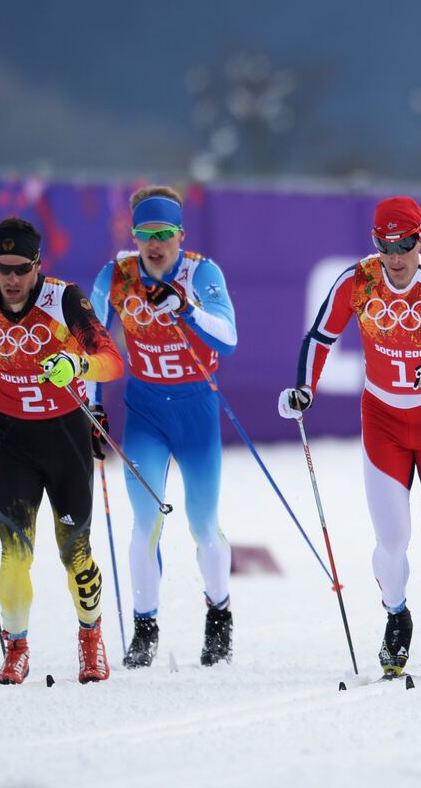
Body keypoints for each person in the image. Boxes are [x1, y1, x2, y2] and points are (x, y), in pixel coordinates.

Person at [278, 196, 421, 680]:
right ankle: (398, 618)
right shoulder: (358, 279)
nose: (395, 257)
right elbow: (319, 337)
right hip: (383, 422)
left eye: (404, 245)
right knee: (391, 541)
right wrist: (303, 390)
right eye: (385, 246)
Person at [0, 217, 124, 684]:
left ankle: (90, 640)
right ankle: (16, 649)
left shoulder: (63, 299)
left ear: (38, 264)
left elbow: (111, 361)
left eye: (22, 268)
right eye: (4, 268)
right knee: (14, 555)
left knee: (75, 553)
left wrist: (77, 362)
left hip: (67, 437)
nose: (13, 279)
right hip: (14, 440)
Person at [89, 186, 238, 668]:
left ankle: (219, 616)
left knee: (202, 525)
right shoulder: (116, 275)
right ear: (134, 236)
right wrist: (94, 408)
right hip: (146, 413)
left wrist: (189, 309)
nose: (155, 245)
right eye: (145, 235)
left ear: (180, 234)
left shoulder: (201, 272)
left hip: (196, 412)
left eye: (164, 234)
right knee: (146, 524)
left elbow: (230, 337)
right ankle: (145, 626)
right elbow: (90, 344)